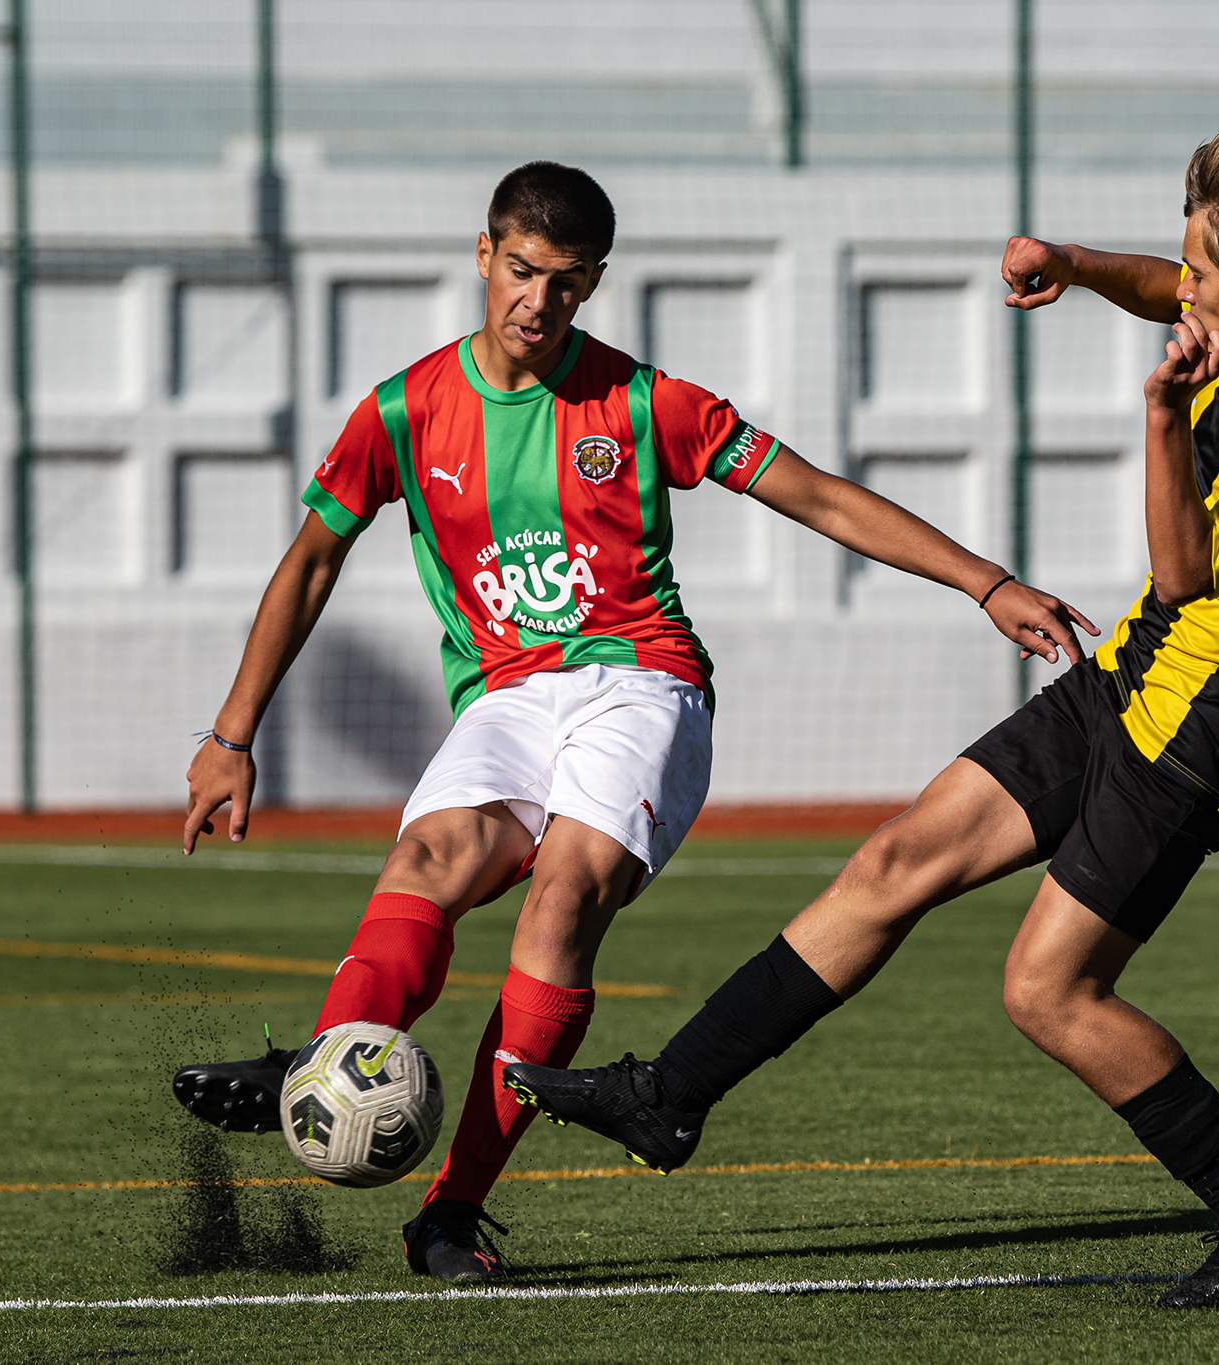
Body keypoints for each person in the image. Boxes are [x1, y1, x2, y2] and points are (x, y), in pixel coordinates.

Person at [503, 124, 1219, 1309]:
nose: (1180, 296)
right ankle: (666, 1099)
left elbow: (1182, 571)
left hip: (1199, 737)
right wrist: (1075, 263)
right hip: (1128, 678)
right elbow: (1168, 295)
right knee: (894, 861)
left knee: (1048, 991)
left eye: (1202, 283)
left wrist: (1160, 416)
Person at [170, 160, 1093, 1283]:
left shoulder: (647, 404)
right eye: (518, 272)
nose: (534, 303)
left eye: (563, 283)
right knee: (426, 857)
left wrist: (983, 580)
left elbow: (818, 494)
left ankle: (450, 1214)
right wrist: (232, 733)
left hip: (641, 683)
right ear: (482, 254)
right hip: (503, 696)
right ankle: (327, 1058)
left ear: (593, 284)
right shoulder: (405, 409)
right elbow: (312, 559)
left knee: (561, 897)